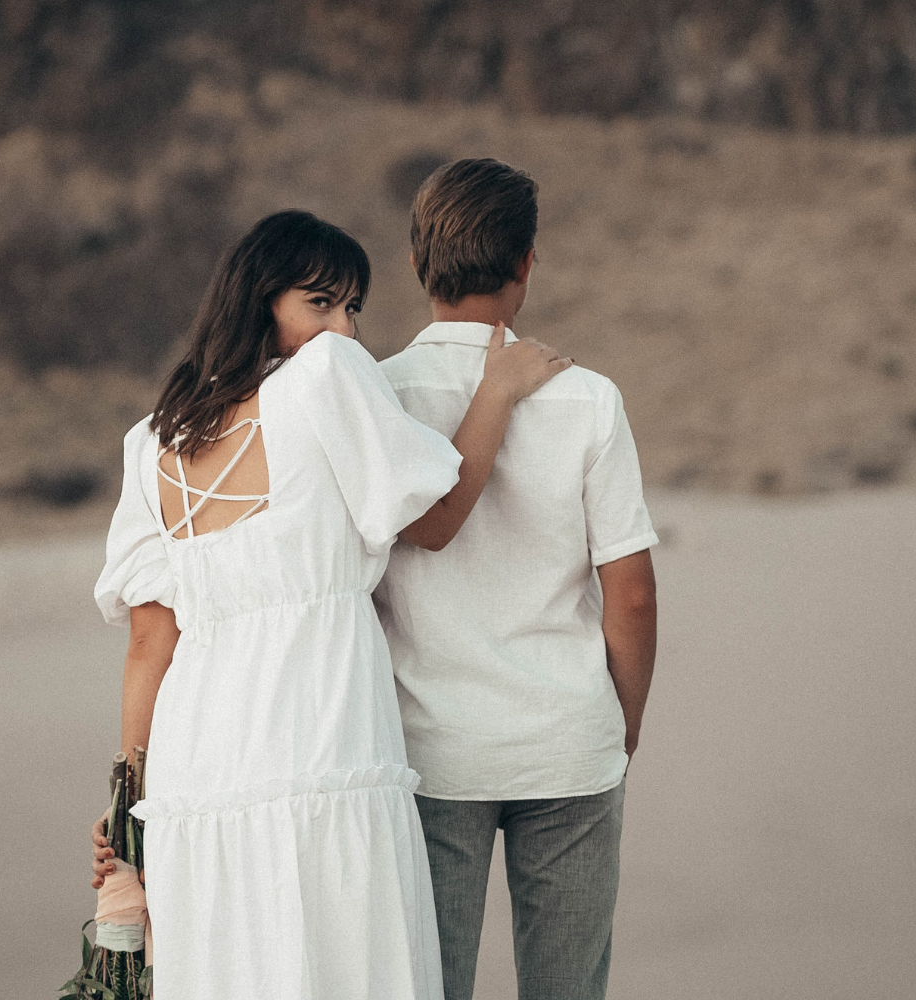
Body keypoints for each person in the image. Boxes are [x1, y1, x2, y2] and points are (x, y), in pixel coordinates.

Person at [88, 209, 570, 1000]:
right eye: (320, 304)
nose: (342, 329)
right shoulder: (327, 379)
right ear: (258, 301)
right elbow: (437, 521)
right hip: (318, 730)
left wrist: (127, 805)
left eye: (352, 309)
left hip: (197, 763)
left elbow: (151, 643)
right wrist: (499, 392)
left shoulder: (152, 442)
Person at [377, 158, 659, 1000]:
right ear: (526, 263)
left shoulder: (376, 397)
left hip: (428, 750)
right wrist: (623, 719)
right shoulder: (588, 399)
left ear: (420, 259)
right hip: (567, 741)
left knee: (431, 985)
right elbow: (633, 592)